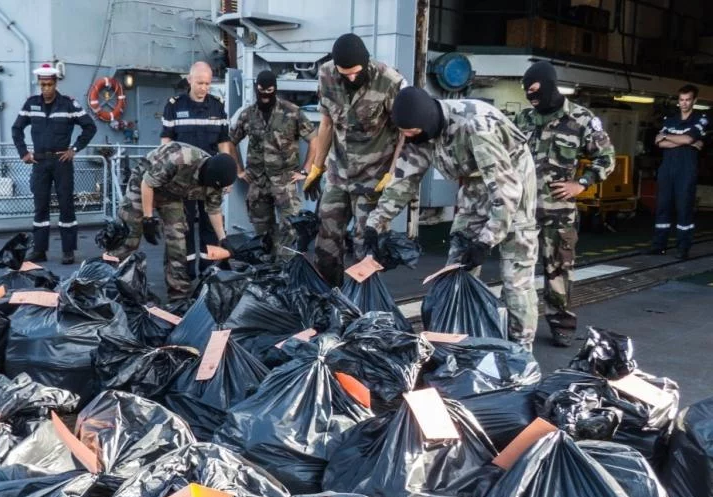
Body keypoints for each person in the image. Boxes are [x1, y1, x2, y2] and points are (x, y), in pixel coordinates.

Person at [366, 87, 539, 351]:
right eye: (404, 133)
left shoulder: (476, 125)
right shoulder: (418, 133)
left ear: (426, 124)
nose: (408, 138)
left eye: (411, 133)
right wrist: (375, 224)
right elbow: (403, 180)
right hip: (474, 185)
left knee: (515, 277)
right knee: (456, 267)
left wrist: (486, 241)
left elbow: (506, 192)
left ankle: (521, 350)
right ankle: (456, 340)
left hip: (513, 185)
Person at [514, 61, 615, 347]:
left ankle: (562, 325)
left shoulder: (581, 119)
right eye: (526, 92)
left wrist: (580, 185)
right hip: (524, 211)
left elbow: (605, 158)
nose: (531, 97)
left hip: (560, 212)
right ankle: (519, 326)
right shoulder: (523, 120)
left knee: (558, 270)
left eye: (534, 90)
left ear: (548, 85)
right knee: (518, 271)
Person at [303, 33, 405, 286]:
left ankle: (365, 314)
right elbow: (326, 123)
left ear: (366, 63)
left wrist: (392, 173)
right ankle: (330, 302)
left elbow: (405, 133)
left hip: (373, 178)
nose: (350, 77)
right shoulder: (326, 74)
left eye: (355, 73)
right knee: (325, 244)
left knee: (365, 247)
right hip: (338, 174)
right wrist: (317, 166)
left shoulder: (389, 81)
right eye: (344, 72)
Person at [110, 141, 236, 301]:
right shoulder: (180, 159)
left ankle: (178, 295)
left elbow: (214, 210)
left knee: (177, 241)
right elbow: (147, 184)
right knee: (130, 235)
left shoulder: (217, 180)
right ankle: (108, 283)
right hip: (144, 183)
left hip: (172, 195)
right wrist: (148, 218)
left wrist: (222, 238)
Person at [12, 62, 96, 264]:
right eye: (42, 85)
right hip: (40, 162)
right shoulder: (31, 104)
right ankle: (40, 250)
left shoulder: (69, 104)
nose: (46, 89)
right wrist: (23, 152)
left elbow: (89, 127)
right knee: (40, 206)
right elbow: (17, 129)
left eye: (49, 84)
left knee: (66, 205)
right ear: (39, 84)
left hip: (61, 162)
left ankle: (68, 251)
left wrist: (74, 149)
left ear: (56, 83)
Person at [228, 70, 318, 258]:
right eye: (261, 90)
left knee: (290, 230)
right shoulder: (248, 114)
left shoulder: (292, 112)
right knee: (262, 233)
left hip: (284, 181)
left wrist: (306, 169)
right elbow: (230, 141)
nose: (265, 95)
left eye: (269, 90)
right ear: (256, 89)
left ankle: (286, 271)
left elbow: (314, 140)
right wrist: (239, 170)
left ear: (275, 89)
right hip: (257, 182)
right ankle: (266, 269)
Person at [161, 61, 233, 279]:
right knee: (184, 225)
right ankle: (187, 269)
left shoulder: (217, 106)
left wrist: (227, 176)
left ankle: (209, 267)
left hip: (210, 177)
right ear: (189, 80)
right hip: (182, 178)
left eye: (208, 84)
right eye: (200, 83)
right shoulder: (174, 106)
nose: (204, 88)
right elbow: (166, 141)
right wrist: (167, 172)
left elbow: (223, 143)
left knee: (210, 223)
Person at [650, 84, 707, 259]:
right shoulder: (670, 120)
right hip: (667, 170)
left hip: (686, 171)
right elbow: (659, 143)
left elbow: (688, 137)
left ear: (694, 101)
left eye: (688, 100)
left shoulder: (700, 119)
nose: (684, 103)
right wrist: (686, 142)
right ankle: (659, 245)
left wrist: (670, 137)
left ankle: (683, 248)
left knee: (684, 209)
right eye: (681, 100)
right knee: (662, 207)